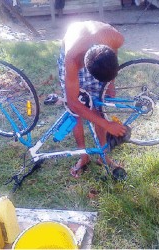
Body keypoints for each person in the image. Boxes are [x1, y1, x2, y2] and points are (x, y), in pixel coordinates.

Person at [57, 20, 127, 178]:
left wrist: (110, 84)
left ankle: (103, 157)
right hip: (75, 54)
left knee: (98, 108)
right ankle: (84, 156)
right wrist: (107, 125)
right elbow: (74, 102)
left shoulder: (115, 38)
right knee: (75, 113)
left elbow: (114, 51)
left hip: (98, 50)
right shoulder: (72, 58)